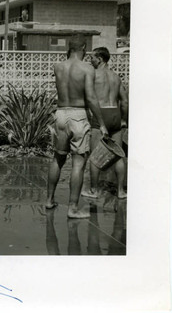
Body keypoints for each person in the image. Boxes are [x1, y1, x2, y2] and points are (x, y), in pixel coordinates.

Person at [45, 35, 108, 219]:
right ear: (84, 48)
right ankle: (73, 208)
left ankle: (49, 200)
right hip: (78, 115)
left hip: (60, 114)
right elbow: (90, 97)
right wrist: (101, 123)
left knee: (57, 158)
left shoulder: (58, 67)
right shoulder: (87, 68)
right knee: (78, 163)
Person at [82, 46, 128, 199]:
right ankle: (121, 191)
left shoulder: (93, 75)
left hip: (101, 114)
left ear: (100, 59)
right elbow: (125, 101)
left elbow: (88, 98)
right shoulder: (116, 76)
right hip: (115, 112)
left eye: (92, 57)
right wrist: (123, 120)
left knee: (95, 157)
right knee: (119, 156)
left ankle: (94, 191)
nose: (90, 60)